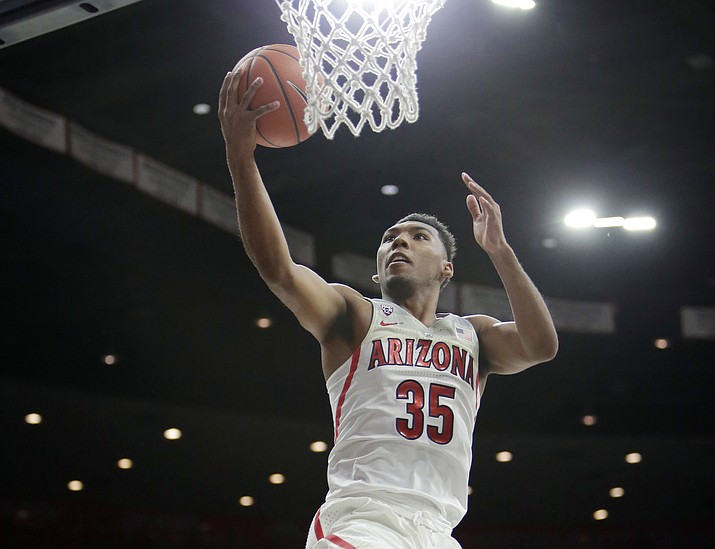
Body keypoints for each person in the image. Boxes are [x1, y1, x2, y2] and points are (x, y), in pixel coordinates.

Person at [218, 67, 559, 549]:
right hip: (365, 520)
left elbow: (541, 346)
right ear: (377, 272)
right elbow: (279, 270)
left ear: (445, 270)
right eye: (389, 239)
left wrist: (500, 252)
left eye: (418, 237)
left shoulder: (473, 336)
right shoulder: (356, 316)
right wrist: (241, 158)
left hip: (439, 531)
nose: (399, 242)